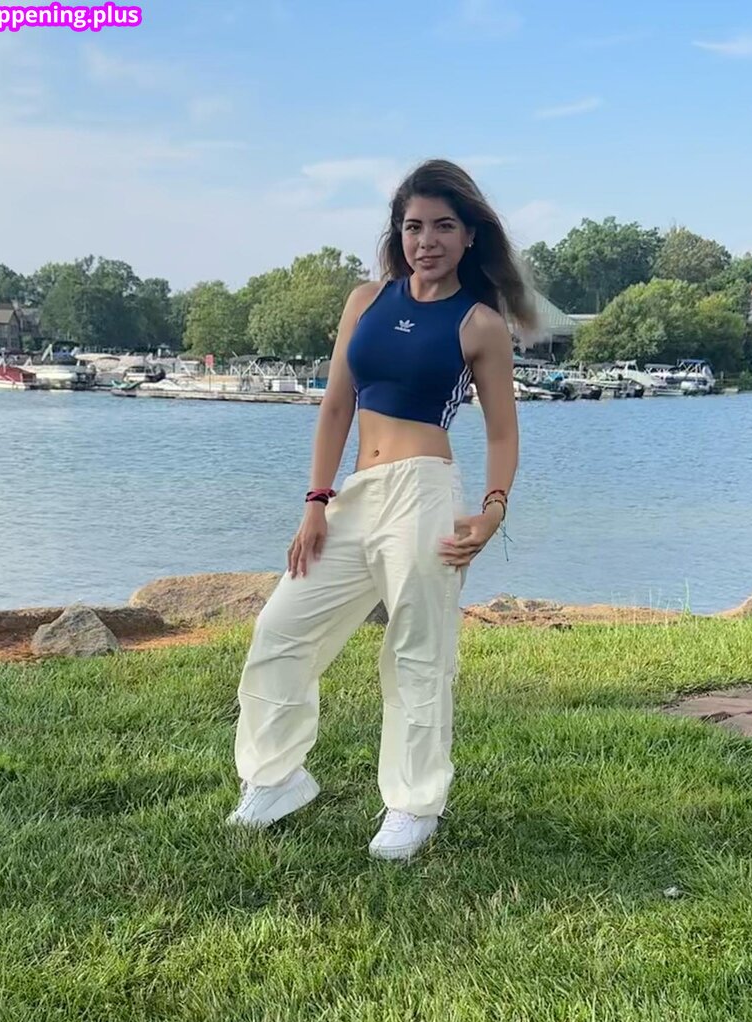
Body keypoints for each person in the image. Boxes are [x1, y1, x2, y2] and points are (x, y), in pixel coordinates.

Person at [227, 158, 537, 860]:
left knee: (419, 654)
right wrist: (316, 500)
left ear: (469, 236)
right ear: (398, 234)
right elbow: (336, 404)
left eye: (443, 227)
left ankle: (413, 805)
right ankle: (275, 778)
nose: (427, 241)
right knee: (280, 630)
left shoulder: (480, 323)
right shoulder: (366, 301)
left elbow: (502, 432)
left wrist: (492, 512)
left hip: (425, 494)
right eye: (413, 226)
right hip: (356, 495)